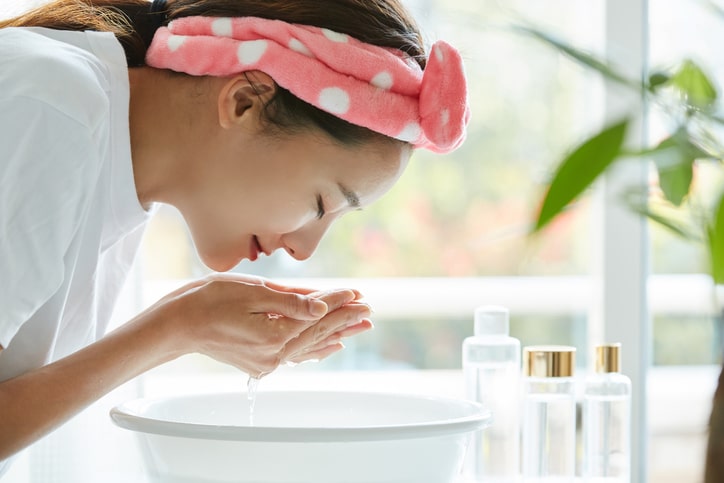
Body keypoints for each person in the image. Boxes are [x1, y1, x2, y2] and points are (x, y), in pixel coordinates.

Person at [0, 0, 469, 473]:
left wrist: (186, 323)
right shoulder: (52, 107)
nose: (303, 250)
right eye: (321, 204)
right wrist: (178, 327)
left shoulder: (113, 161)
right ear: (244, 102)